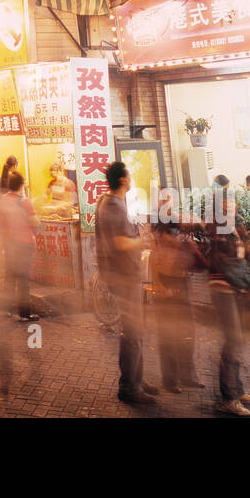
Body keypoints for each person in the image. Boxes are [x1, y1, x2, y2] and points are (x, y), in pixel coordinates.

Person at [97, 161, 159, 405]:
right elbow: (120, 243)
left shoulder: (113, 202)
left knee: (136, 330)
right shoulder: (112, 205)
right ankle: (129, 387)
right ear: (123, 180)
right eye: (129, 175)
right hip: (123, 277)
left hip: (126, 275)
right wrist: (141, 242)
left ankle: (137, 380)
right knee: (132, 332)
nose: (131, 178)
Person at [205, 217, 250, 416]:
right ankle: (229, 397)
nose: (230, 204)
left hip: (237, 290)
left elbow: (240, 258)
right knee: (232, 341)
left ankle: (237, 390)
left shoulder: (237, 229)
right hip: (224, 290)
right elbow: (223, 261)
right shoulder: (220, 231)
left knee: (237, 341)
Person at [151, 220, 205, 393]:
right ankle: (170, 380)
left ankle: (187, 376)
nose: (174, 237)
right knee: (168, 337)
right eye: (171, 233)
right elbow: (154, 268)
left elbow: (194, 265)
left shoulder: (181, 242)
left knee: (187, 333)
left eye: (176, 233)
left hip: (182, 288)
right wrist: (161, 287)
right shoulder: (158, 246)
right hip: (165, 291)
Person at [0, 173, 40, 320]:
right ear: (21, 185)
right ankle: (24, 314)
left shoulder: (2, 200)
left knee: (9, 276)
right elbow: (35, 222)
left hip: (9, 243)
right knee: (23, 278)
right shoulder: (24, 202)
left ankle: (7, 309)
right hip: (24, 243)